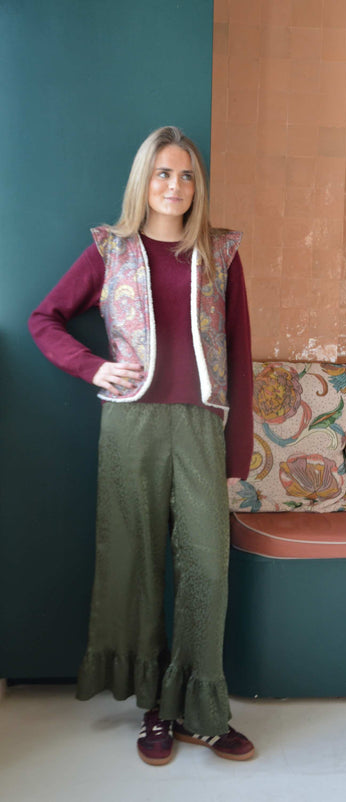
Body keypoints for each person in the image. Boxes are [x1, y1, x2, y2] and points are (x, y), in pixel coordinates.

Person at [28, 126, 255, 765]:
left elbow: (240, 353)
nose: (175, 186)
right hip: (131, 426)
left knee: (207, 568)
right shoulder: (112, 249)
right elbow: (44, 319)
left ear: (197, 185)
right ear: (143, 181)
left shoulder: (220, 252)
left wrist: (238, 456)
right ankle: (155, 709)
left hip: (201, 428)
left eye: (186, 175)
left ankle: (202, 711)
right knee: (136, 563)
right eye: (163, 173)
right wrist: (93, 367)